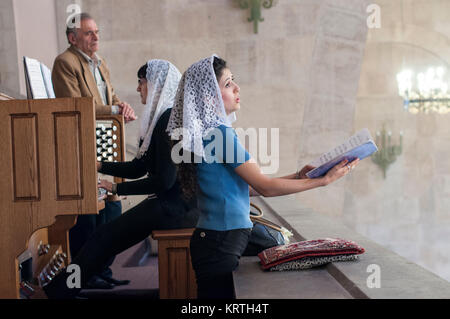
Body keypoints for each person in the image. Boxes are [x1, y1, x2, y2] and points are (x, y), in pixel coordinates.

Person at [166, 55, 360, 299]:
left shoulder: (208, 133)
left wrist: (299, 175)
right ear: (208, 96)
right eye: (227, 84)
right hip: (219, 242)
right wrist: (323, 181)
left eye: (233, 81)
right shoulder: (219, 134)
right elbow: (265, 187)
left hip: (216, 240)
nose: (237, 88)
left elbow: (245, 188)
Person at [34, 60, 198, 299]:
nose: (138, 89)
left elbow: (164, 180)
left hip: (176, 208)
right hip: (172, 204)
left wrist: (117, 187)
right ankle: (62, 289)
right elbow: (139, 166)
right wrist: (100, 165)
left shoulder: (168, 119)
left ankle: (56, 292)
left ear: (155, 85)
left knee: (103, 237)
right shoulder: (163, 117)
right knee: (104, 238)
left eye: (141, 83)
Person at [52, 12, 137, 289]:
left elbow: (110, 99)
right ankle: (85, 277)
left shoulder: (100, 63)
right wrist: (114, 109)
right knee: (89, 217)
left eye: (96, 31)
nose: (95, 37)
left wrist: (121, 106)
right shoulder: (65, 62)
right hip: (81, 147)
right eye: (89, 33)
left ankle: (103, 271)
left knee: (110, 215)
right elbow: (75, 105)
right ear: (72, 38)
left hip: (106, 143)